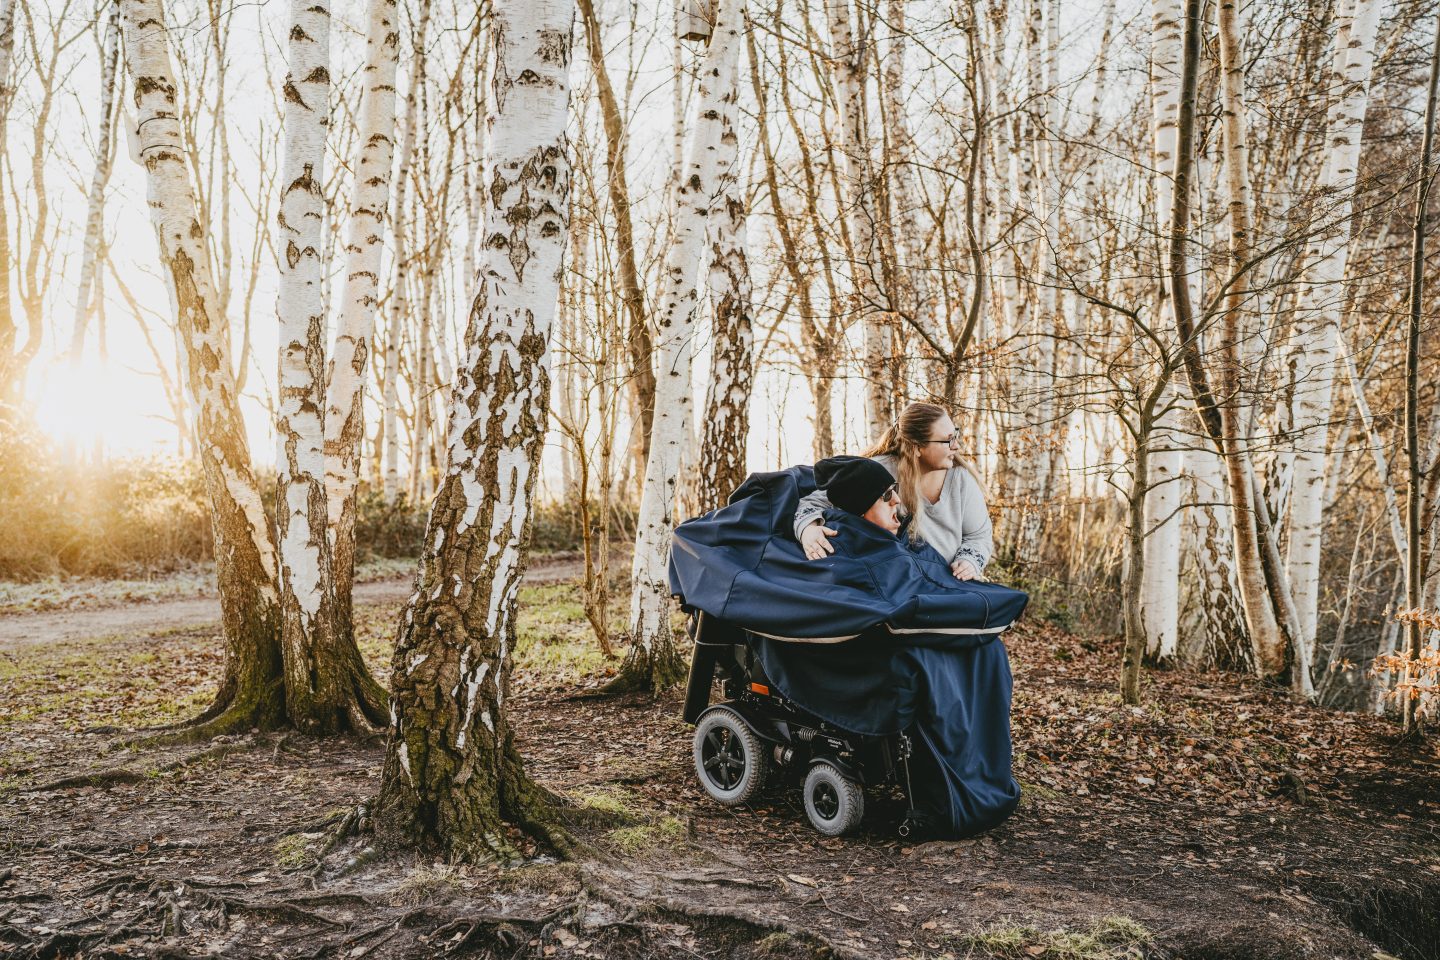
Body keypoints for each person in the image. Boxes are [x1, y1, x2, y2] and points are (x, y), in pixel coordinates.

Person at [795, 403, 992, 581]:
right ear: (917, 447)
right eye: (948, 440)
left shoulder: (961, 481)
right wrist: (809, 530)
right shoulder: (878, 471)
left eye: (955, 435)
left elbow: (979, 536)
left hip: (947, 582)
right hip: (898, 580)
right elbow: (815, 502)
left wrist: (969, 561)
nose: (956, 446)